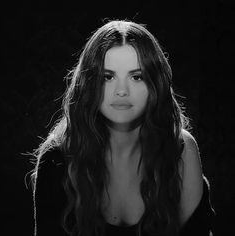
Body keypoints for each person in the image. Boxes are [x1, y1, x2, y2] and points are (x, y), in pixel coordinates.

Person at [31, 19, 215, 236]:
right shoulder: (57, 159)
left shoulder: (181, 150)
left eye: (136, 77)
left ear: (155, 83)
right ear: (89, 83)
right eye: (107, 77)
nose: (121, 91)